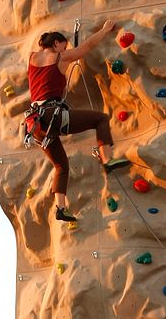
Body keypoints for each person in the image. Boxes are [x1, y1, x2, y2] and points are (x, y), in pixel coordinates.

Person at [26, 19, 130, 222]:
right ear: (56, 44)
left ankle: (61, 208)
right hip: (53, 115)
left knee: (61, 166)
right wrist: (104, 29)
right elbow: (87, 46)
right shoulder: (59, 57)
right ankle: (107, 159)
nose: (65, 50)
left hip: (34, 124)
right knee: (100, 119)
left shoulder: (32, 58)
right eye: (64, 45)